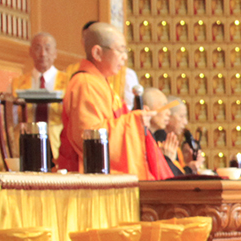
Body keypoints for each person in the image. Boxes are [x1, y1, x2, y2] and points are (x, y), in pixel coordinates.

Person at [57, 23, 171, 178]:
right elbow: (89, 136)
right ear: (97, 53)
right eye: (120, 50)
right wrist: (134, 121)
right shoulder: (85, 84)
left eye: (125, 51)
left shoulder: (101, 83)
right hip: (88, 176)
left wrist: (136, 120)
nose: (124, 57)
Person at [10, 31, 69, 148]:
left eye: (47, 49)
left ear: (55, 53)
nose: (43, 54)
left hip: (58, 143)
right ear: (30, 52)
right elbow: (10, 119)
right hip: (26, 142)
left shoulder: (69, 81)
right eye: (38, 48)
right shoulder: (17, 83)